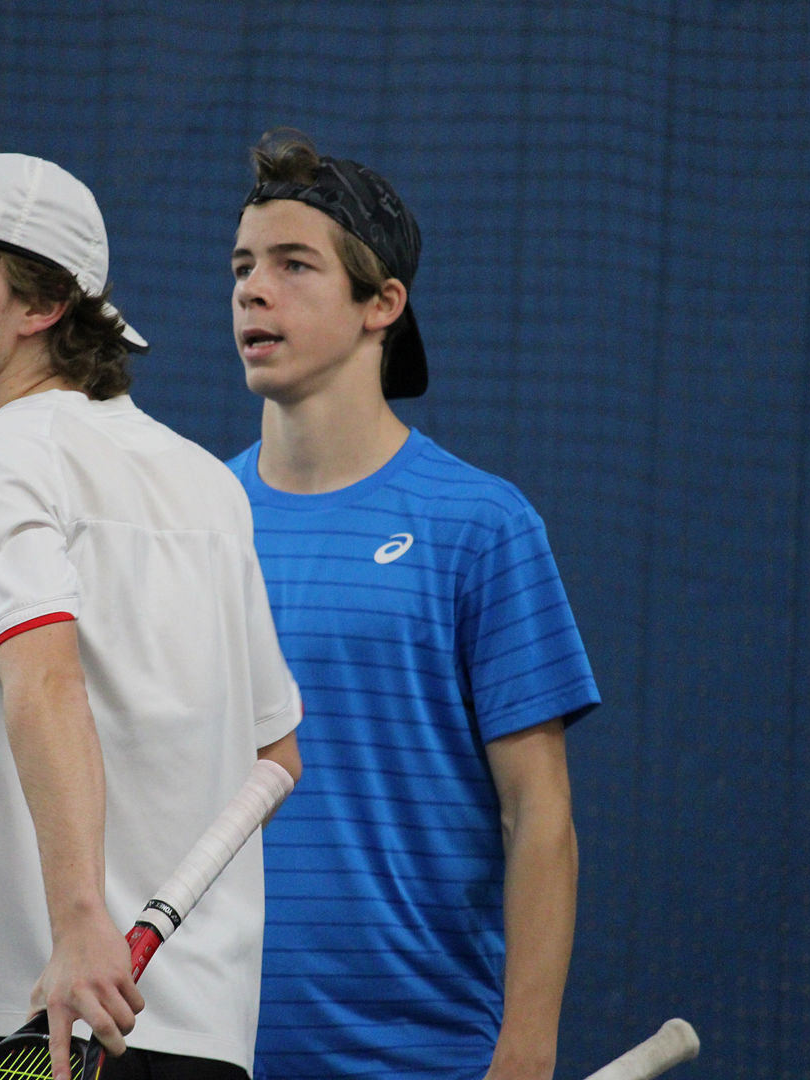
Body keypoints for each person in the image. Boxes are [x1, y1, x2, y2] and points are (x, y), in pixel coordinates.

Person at [0, 149, 303, 1080]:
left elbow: (44, 674)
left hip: (22, 1010)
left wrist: (77, 925)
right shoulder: (208, 484)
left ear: (41, 306)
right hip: (196, 1040)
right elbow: (276, 760)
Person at [225, 130, 600, 1080]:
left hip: (427, 1056)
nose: (251, 290)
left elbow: (539, 815)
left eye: (294, 265)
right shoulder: (193, 522)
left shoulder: (481, 525)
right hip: (210, 1048)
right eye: (243, 265)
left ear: (381, 303)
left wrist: (526, 1052)